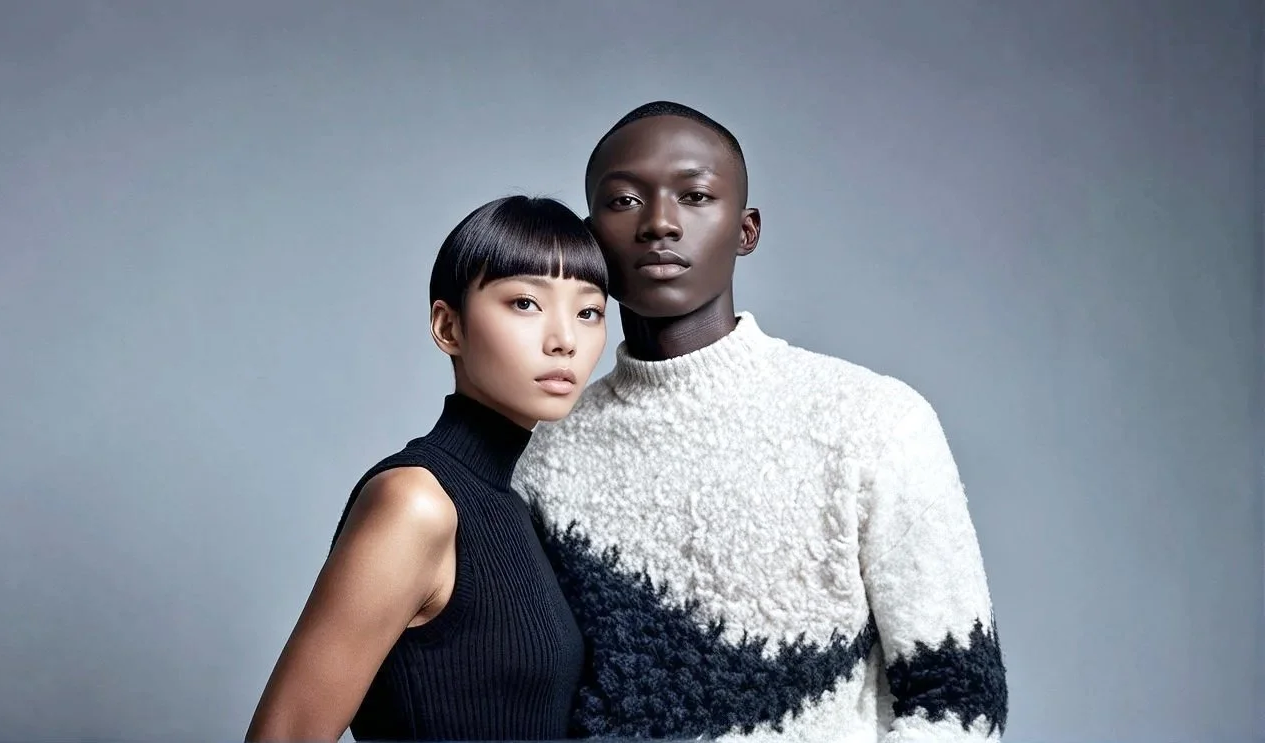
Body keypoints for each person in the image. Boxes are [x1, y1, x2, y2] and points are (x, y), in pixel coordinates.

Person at [513, 102, 1009, 742]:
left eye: (694, 195)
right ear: (590, 238)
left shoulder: (874, 421)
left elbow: (959, 697)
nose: (660, 223)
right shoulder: (545, 451)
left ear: (746, 230)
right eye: (626, 201)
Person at [246, 195, 611, 742]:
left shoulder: (514, 506)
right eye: (525, 303)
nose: (564, 341)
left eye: (588, 312)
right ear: (448, 326)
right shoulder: (417, 502)